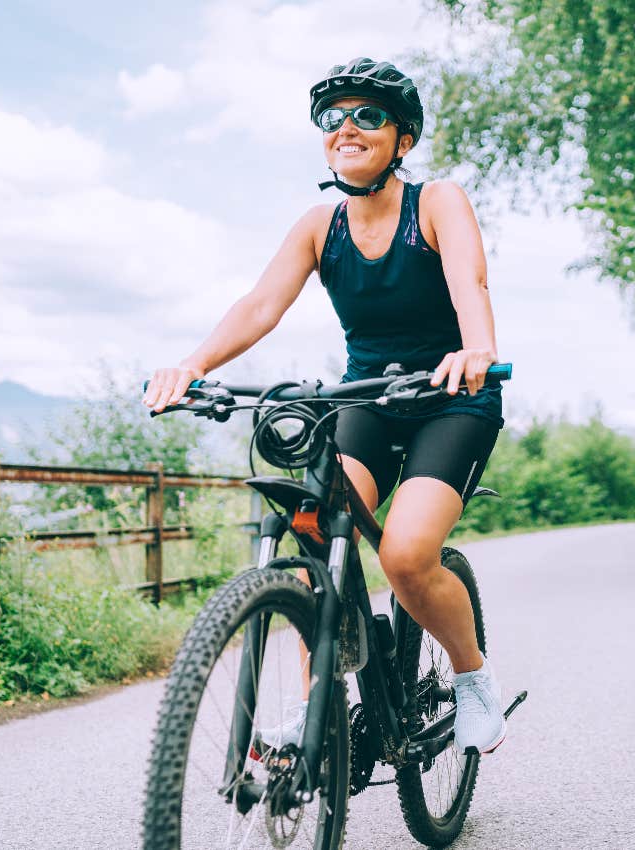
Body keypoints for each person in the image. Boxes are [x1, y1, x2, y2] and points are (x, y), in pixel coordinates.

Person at [143, 57, 506, 754]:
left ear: (402, 140)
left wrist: (477, 349)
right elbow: (258, 305)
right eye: (333, 117)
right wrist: (193, 365)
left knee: (403, 555)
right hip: (366, 396)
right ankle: (323, 702)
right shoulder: (320, 225)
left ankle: (471, 678)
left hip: (451, 400)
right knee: (316, 535)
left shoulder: (437, 202)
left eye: (368, 115)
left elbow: (471, 281)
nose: (347, 127)